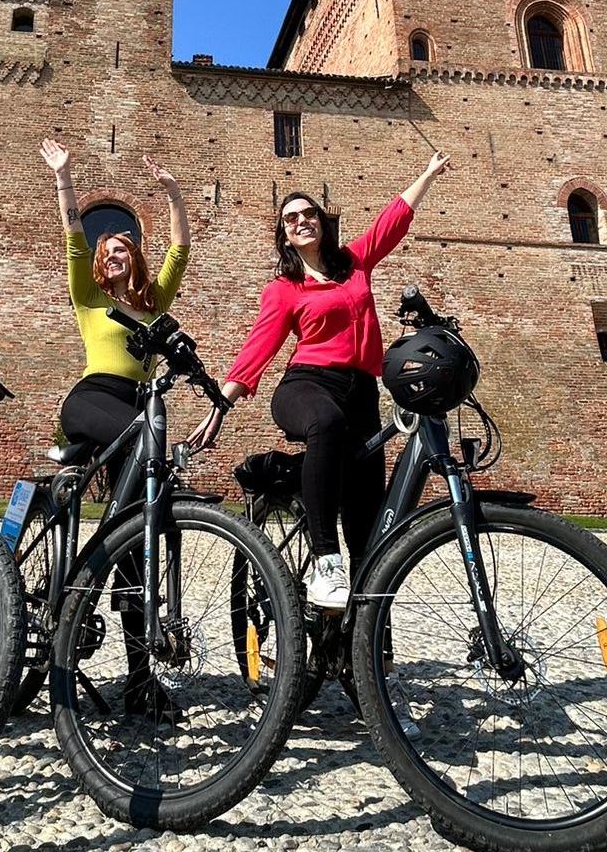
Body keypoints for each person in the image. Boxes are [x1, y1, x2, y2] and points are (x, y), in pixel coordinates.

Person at [189, 152, 451, 611]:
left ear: (322, 223)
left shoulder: (353, 263)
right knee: (325, 424)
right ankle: (325, 560)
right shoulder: (284, 289)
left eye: (309, 213)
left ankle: (370, 641)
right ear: (285, 236)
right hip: (307, 386)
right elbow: (258, 349)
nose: (302, 221)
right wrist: (221, 403)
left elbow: (391, 223)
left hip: (363, 394)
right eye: (291, 218)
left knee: (367, 516)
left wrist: (425, 174)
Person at [39, 137, 190, 719]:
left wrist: (173, 193)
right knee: (150, 454)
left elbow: (179, 247)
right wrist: (65, 178)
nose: (117, 254)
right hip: (93, 399)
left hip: (140, 407)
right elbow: (73, 238)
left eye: (126, 247)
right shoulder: (89, 297)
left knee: (142, 534)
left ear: (136, 257)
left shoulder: (152, 305)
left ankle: (138, 675)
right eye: (111, 250)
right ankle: (93, 572)